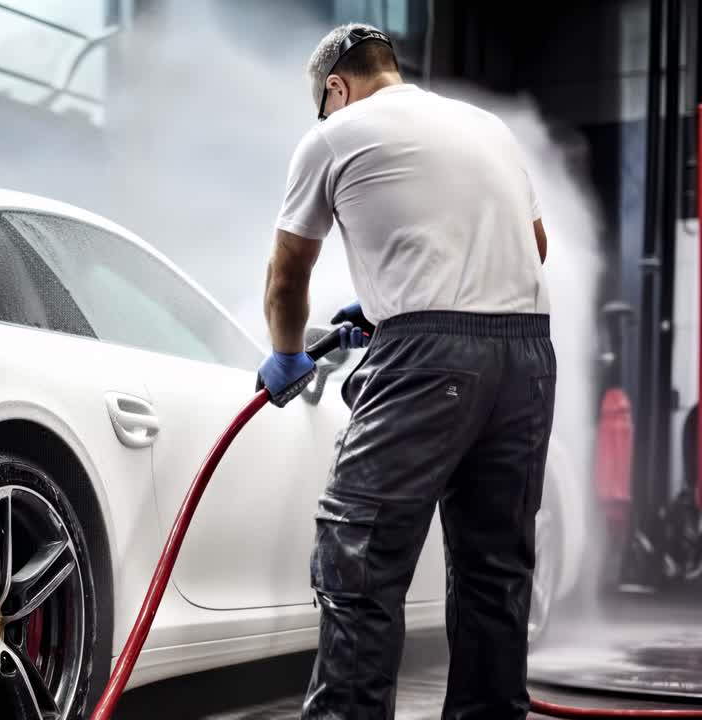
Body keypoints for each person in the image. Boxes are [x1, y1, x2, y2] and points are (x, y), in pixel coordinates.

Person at [256, 23, 556, 720]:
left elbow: (287, 275)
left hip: (428, 362)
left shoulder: (333, 136)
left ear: (335, 87)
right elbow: (534, 247)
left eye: (323, 103)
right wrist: (400, 299)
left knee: (358, 563)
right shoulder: (487, 127)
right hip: (527, 360)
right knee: (495, 574)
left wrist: (288, 352)